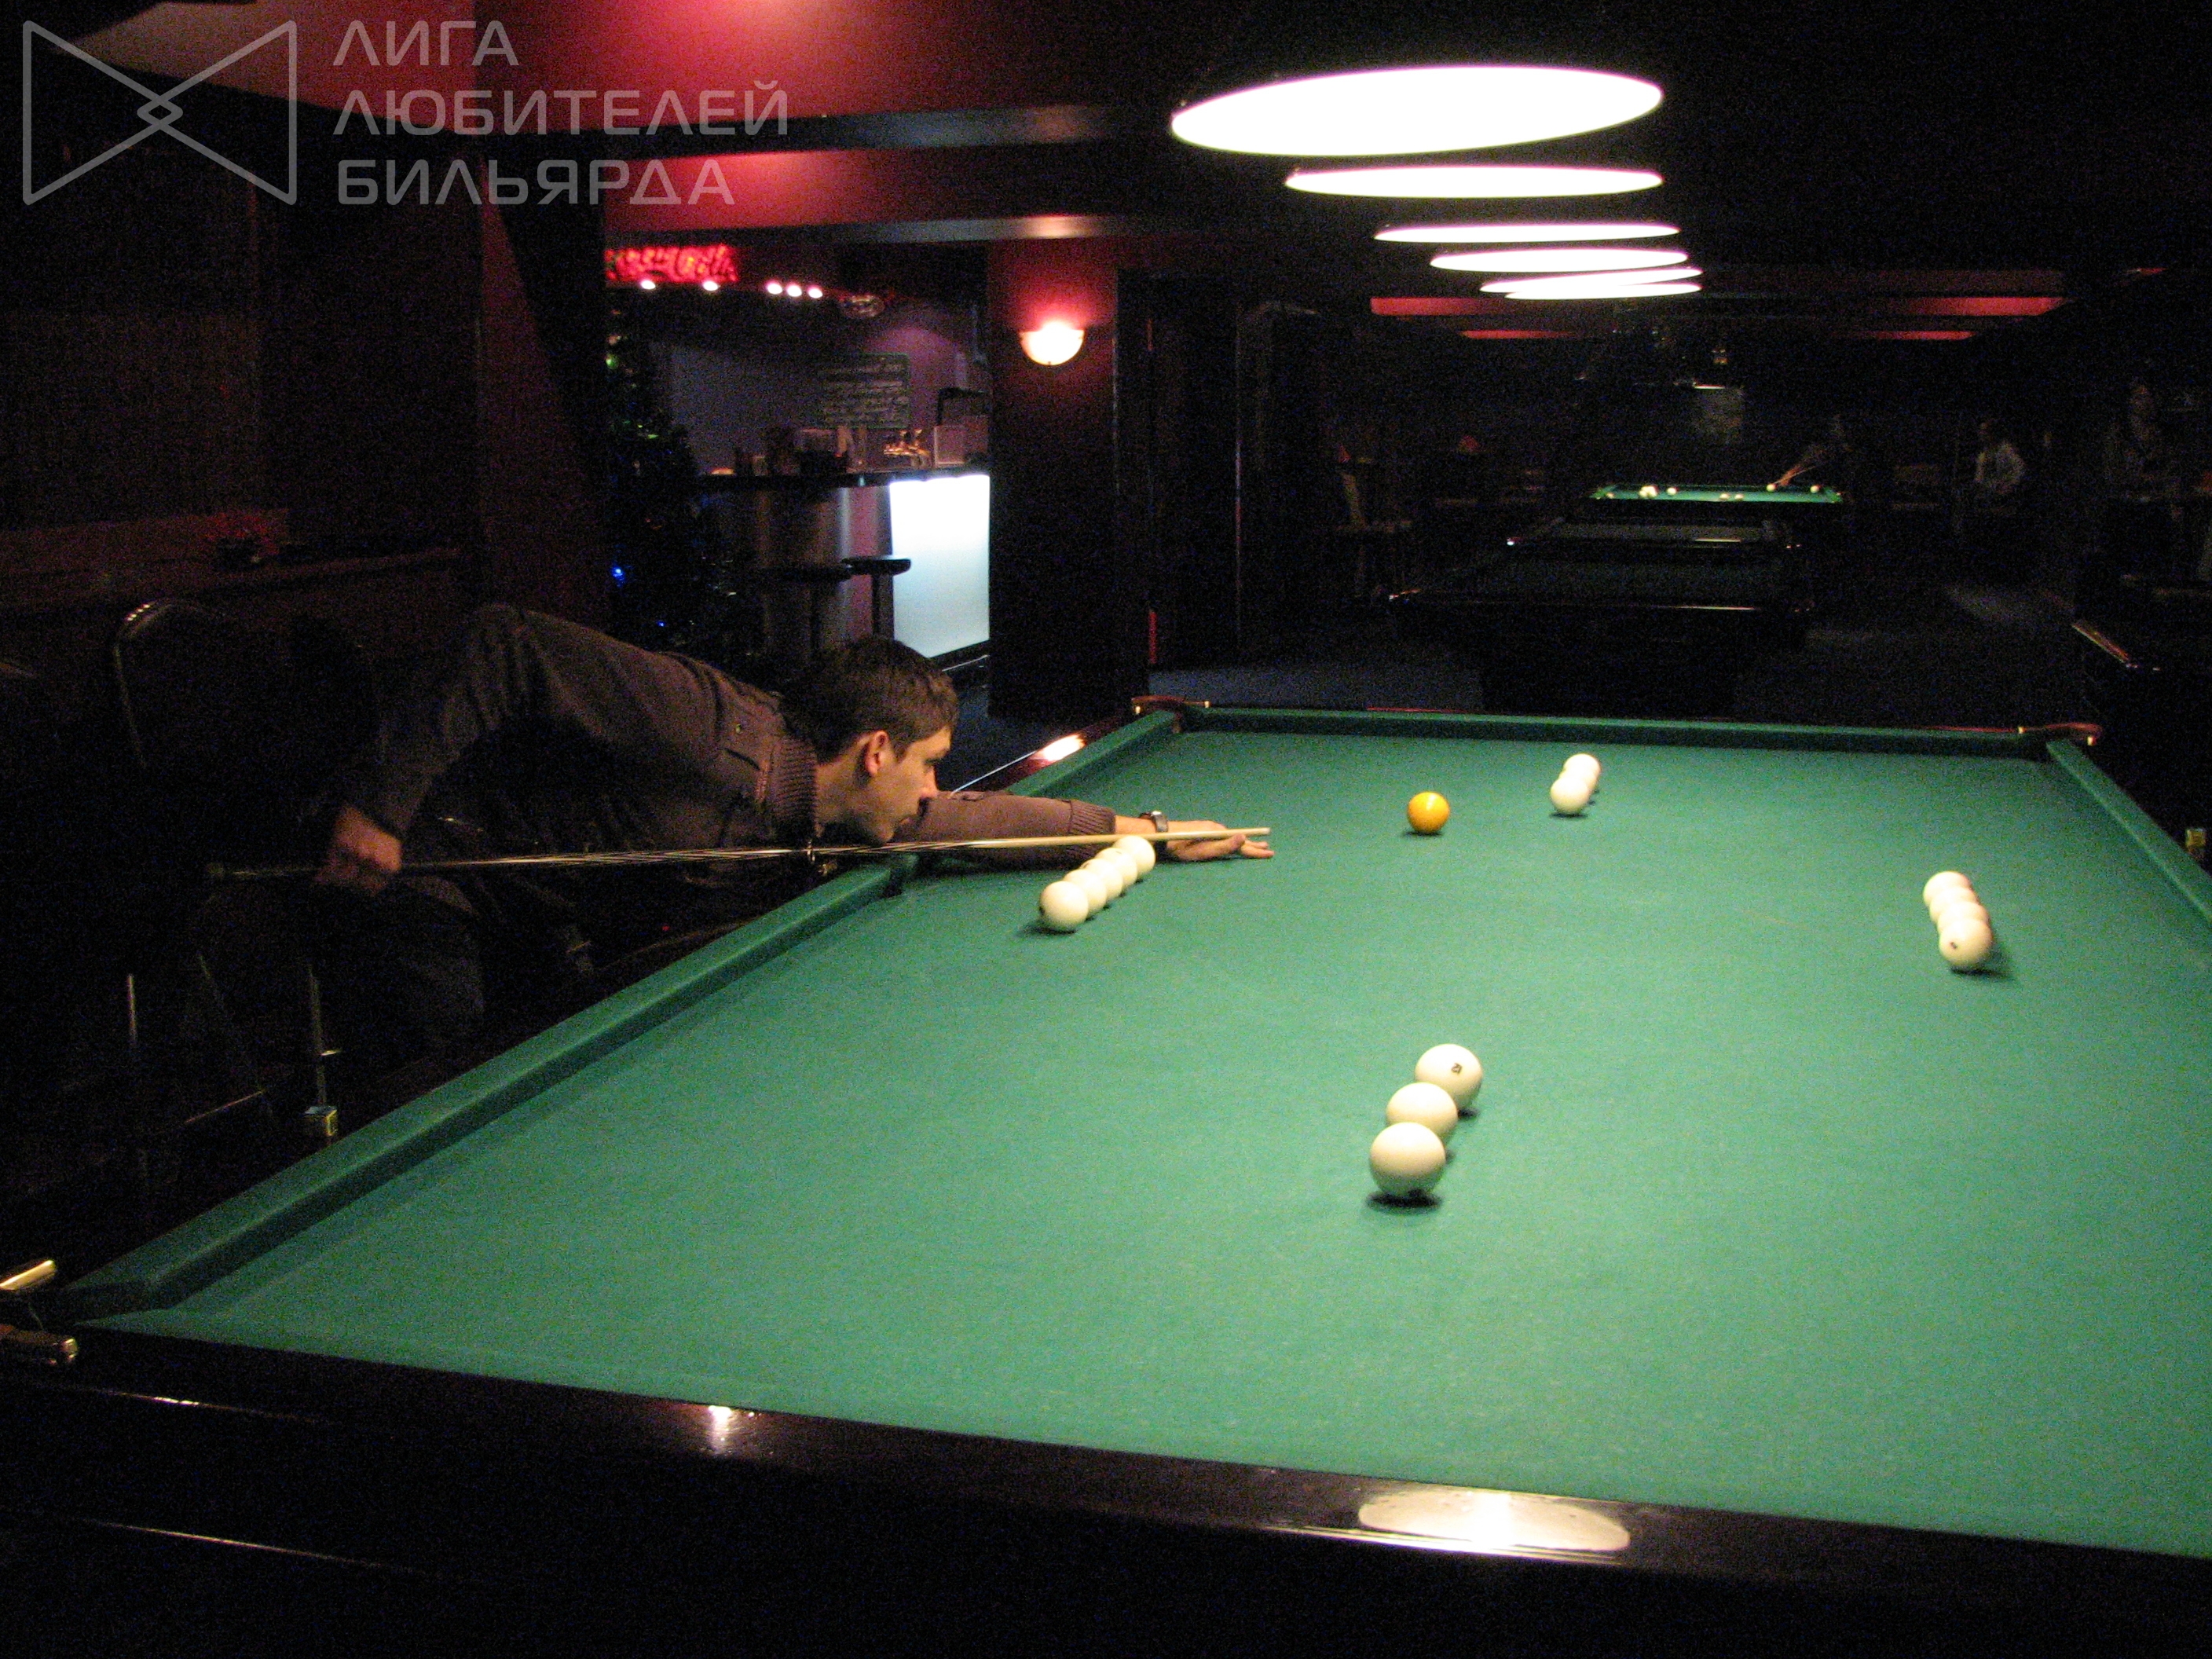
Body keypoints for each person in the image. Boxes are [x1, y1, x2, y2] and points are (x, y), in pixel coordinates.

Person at [317, 605, 1267, 1076]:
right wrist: (379, 808)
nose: (933, 789)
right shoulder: (701, 724)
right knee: (434, 1088)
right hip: (432, 867)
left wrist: (1143, 830)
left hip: (538, 911)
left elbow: (963, 820)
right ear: (874, 750)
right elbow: (503, 642)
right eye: (927, 765)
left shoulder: (840, 802)